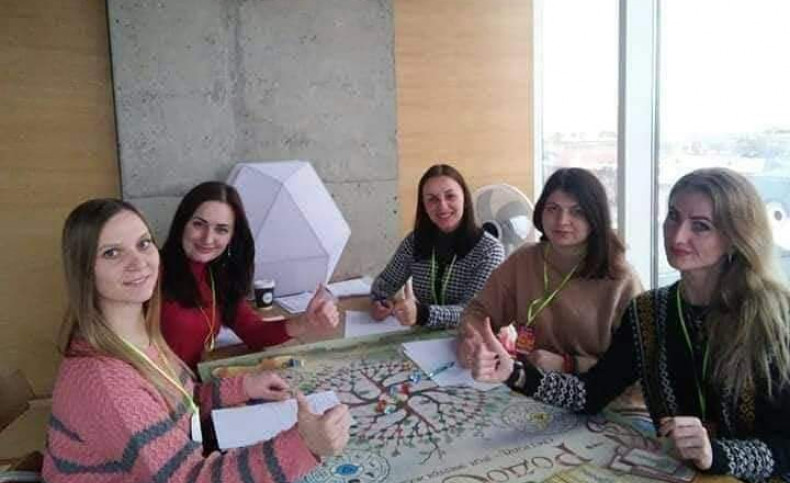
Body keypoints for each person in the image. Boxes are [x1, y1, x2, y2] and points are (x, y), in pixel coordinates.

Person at [471, 168, 790, 483]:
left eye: (700, 226)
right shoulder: (648, 311)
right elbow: (591, 393)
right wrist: (514, 373)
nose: (678, 236)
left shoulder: (777, 320)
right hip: (679, 474)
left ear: (735, 237)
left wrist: (716, 454)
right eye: (673, 217)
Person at [42, 199, 351, 483]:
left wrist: (243, 387)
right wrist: (304, 445)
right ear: (84, 270)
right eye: (112, 253)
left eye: (143, 244)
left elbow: (181, 403)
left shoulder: (141, 333)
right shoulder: (105, 382)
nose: (138, 262)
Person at [459, 167, 642, 374]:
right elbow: (478, 310)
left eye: (577, 211)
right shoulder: (524, 259)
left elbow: (638, 366)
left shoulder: (620, 279)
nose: (562, 220)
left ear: (595, 217)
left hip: (594, 390)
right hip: (529, 382)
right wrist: (475, 340)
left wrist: (568, 364)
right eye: (553, 208)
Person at [160, 182, 339, 369]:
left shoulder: (217, 275)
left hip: (197, 379)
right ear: (182, 224)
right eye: (199, 224)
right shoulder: (151, 273)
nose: (208, 238)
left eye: (221, 229)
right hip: (162, 383)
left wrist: (305, 321)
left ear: (232, 237)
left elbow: (254, 332)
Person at [370, 164, 505, 329]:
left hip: (470, 338)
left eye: (450, 196)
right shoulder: (414, 241)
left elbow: (472, 312)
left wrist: (422, 314)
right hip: (422, 337)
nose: (442, 206)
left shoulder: (489, 251)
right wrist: (381, 302)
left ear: (465, 199)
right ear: (424, 206)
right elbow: (385, 282)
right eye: (432, 199)